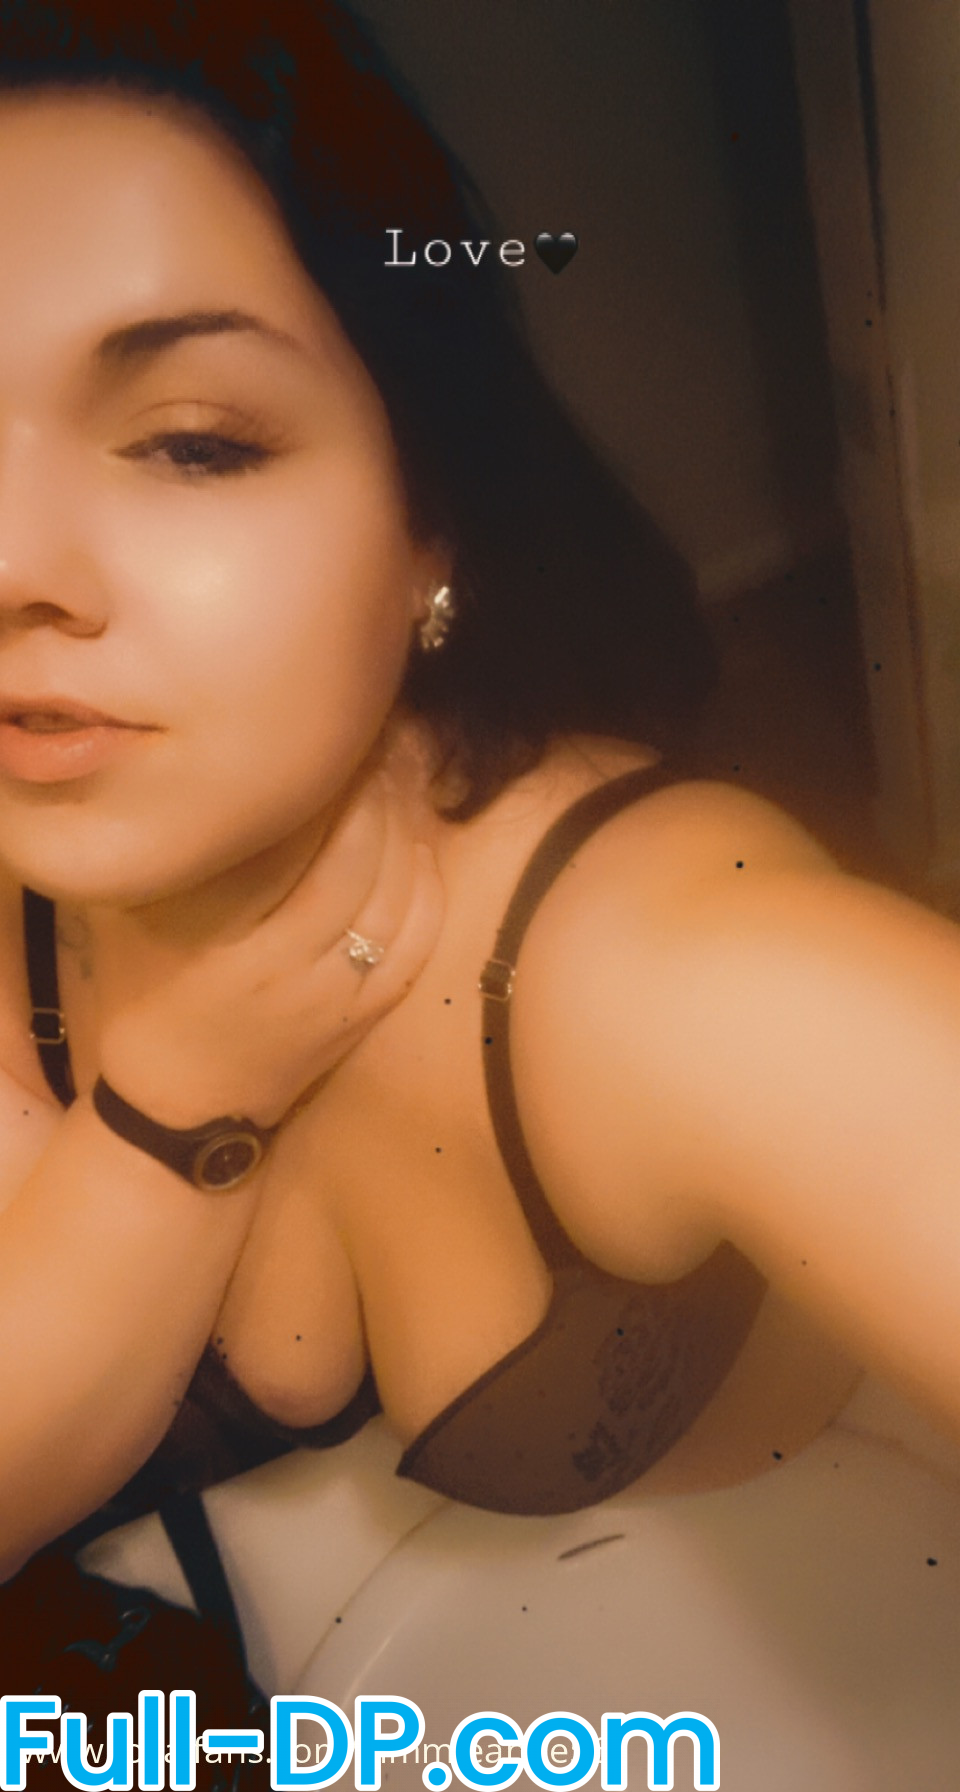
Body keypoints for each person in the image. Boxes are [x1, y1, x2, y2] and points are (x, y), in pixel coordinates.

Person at [0, 0, 957, 1732]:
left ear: (427, 506)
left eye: (193, 440)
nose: (9, 563)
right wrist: (170, 1110)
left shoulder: (682, 975)